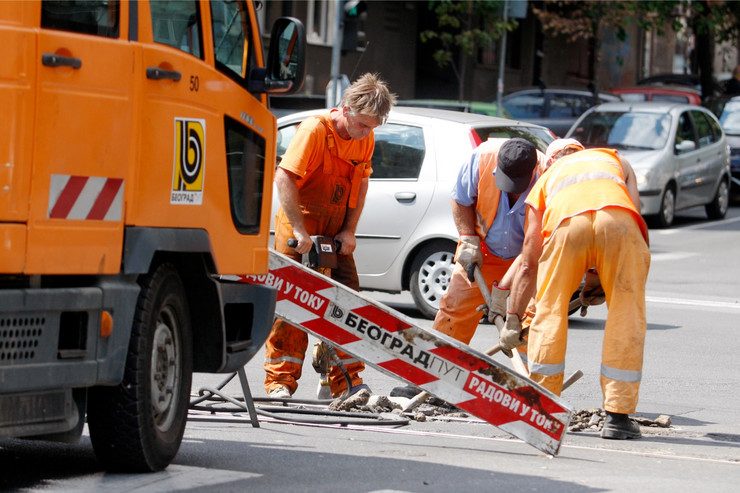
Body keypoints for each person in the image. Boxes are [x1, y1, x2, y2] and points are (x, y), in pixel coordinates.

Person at [501, 145, 651, 440]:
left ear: (549, 161)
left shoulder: (545, 181)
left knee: (549, 311)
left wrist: (513, 319)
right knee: (626, 314)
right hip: (619, 221)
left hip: (566, 227)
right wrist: (598, 279)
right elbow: (627, 215)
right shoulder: (615, 160)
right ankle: (618, 418)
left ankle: (543, 409)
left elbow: (529, 264)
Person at [264, 73, 397, 399]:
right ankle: (280, 381)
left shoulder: (365, 137)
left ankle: (345, 383)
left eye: (372, 128)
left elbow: (360, 184)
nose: (366, 133)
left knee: (349, 306)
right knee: (291, 304)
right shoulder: (314, 130)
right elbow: (285, 177)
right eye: (363, 125)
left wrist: (349, 230)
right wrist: (299, 230)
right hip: (300, 226)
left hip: (335, 227)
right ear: (345, 109)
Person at [431, 137, 546, 355]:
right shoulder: (481, 159)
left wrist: (505, 300)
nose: (512, 192)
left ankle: (529, 383)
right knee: (454, 310)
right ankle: (432, 375)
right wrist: (467, 237)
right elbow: (461, 199)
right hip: (483, 251)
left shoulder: (547, 174)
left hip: (530, 258)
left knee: (533, 319)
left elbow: (530, 259)